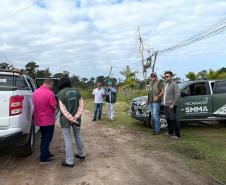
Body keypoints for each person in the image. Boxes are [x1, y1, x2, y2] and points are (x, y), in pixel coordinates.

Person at [57, 77, 86, 168]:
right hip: (77, 120)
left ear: (61, 84)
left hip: (66, 121)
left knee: (68, 139)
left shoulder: (60, 94)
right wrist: (75, 118)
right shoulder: (77, 91)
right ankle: (81, 154)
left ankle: (70, 161)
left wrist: (71, 119)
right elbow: (81, 105)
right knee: (77, 136)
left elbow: (63, 110)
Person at [33, 78, 58, 164]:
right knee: (47, 139)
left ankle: (46, 153)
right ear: (49, 84)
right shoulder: (50, 93)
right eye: (52, 85)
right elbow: (54, 106)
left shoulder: (35, 92)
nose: (52, 87)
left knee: (44, 137)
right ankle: (43, 158)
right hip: (48, 120)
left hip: (39, 119)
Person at [163, 71, 181, 139]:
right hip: (165, 105)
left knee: (174, 120)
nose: (166, 77)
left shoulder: (174, 84)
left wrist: (173, 104)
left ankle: (177, 135)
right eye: (165, 76)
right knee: (168, 119)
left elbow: (178, 94)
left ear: (171, 76)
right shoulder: (166, 84)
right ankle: (170, 132)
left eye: (167, 76)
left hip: (171, 106)